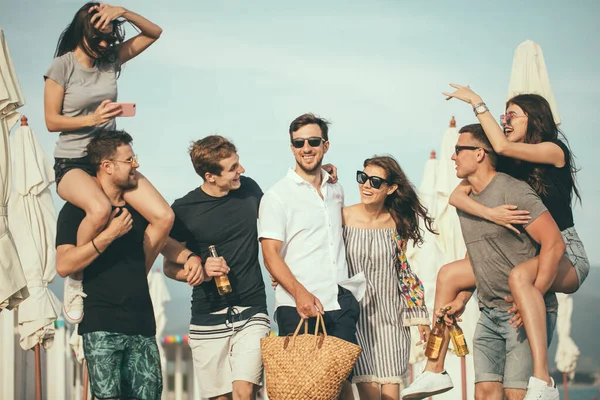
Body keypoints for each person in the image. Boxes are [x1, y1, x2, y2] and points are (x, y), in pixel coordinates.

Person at [403, 124, 564, 400]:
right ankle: (434, 370)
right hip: (489, 313)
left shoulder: (513, 191)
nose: (453, 157)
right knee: (485, 395)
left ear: (480, 153)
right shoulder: (466, 201)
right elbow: (479, 259)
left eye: (458, 150)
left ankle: (544, 382)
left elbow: (555, 243)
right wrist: (462, 300)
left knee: (517, 395)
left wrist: (534, 292)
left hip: (520, 315)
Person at [44, 2, 173, 325]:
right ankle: (75, 280)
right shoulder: (62, 66)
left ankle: (134, 278)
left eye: (108, 37)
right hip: (72, 162)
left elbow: (154, 33)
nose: (104, 44)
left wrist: (124, 13)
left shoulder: (110, 60)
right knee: (100, 209)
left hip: (110, 158)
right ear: (82, 32)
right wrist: (93, 118)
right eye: (98, 37)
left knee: (163, 216)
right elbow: (50, 120)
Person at [259, 113, 366, 400]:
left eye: (313, 141)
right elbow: (270, 255)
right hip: (298, 305)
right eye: (298, 142)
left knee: (342, 387)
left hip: (340, 300)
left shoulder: (336, 190)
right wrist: (299, 293)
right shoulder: (276, 196)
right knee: (302, 392)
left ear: (325, 145)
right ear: (292, 147)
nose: (306, 148)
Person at [55, 130, 162, 400]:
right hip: (101, 325)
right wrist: (109, 235)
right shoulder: (75, 211)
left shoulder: (140, 210)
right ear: (107, 166)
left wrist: (189, 257)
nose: (136, 164)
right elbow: (64, 264)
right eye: (129, 160)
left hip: (142, 325)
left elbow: (167, 240)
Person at [162, 135, 271, 400]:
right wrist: (198, 268)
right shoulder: (184, 210)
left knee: (244, 392)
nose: (241, 171)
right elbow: (168, 267)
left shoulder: (250, 189)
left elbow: (278, 222)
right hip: (206, 318)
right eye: (233, 168)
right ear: (210, 176)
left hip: (252, 309)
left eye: (238, 164)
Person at [343, 156, 434, 400]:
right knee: (369, 392)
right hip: (356, 317)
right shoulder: (342, 217)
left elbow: (404, 271)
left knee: (392, 389)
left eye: (375, 181)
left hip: (391, 317)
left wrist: (420, 317)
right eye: (362, 178)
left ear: (391, 188)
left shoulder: (398, 223)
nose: (366, 185)